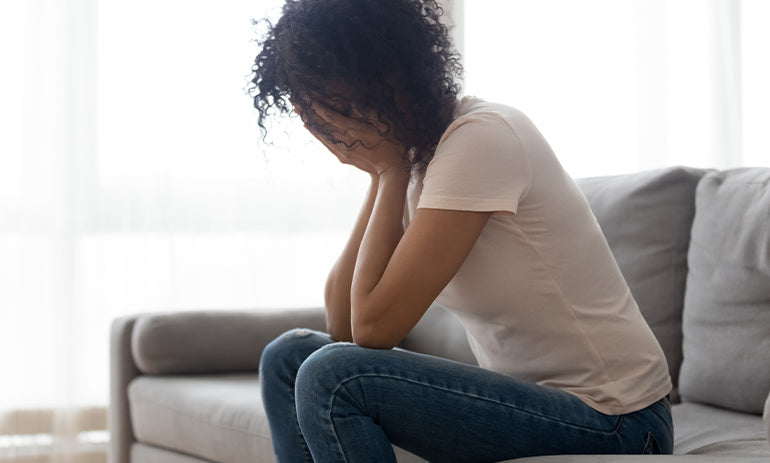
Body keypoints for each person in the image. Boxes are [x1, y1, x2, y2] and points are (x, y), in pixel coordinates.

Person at [249, 0, 674, 461]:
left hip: (619, 422)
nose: (328, 123)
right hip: (534, 403)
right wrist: (379, 173)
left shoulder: (480, 137)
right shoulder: (414, 159)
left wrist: (388, 171)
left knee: (335, 377)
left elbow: (373, 330)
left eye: (331, 104)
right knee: (287, 358)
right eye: (312, 109)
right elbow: (342, 323)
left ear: (382, 76)